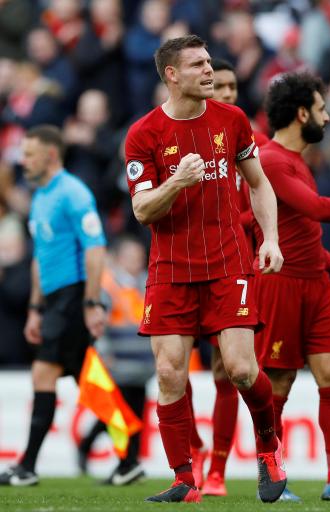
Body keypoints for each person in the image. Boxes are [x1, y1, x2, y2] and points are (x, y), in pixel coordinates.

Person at [124, 35, 286, 504]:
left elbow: (259, 184)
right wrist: (177, 181)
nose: (210, 71)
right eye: (198, 64)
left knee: (239, 369)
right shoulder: (143, 134)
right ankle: (184, 478)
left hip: (227, 261)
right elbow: (142, 211)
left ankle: (268, 447)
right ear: (172, 75)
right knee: (170, 372)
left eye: (210, 62)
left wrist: (270, 238)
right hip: (171, 267)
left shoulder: (232, 120)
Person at [255, 72, 330, 501]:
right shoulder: (270, 161)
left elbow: (294, 227)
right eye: (321, 108)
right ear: (302, 113)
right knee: (278, 383)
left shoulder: (300, 162)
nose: (327, 115)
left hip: (315, 283)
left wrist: (328, 259)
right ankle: (273, 477)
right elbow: (314, 209)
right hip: (279, 284)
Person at [0, 125, 107, 486]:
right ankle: (129, 451)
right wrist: (35, 308)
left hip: (74, 296)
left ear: (50, 154)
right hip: (54, 300)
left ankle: (27, 466)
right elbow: (39, 258)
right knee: (86, 380)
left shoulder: (73, 193)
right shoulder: (41, 196)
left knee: (45, 373)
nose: (22, 160)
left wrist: (92, 301)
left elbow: (95, 248)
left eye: (29, 154)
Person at [187, 57, 271, 497]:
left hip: (231, 265)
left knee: (229, 368)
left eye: (234, 86)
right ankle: (194, 447)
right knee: (171, 366)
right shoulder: (181, 135)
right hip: (183, 265)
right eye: (219, 86)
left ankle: (217, 470)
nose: (227, 93)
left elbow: (262, 202)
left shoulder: (245, 143)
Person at [77, 235, 154, 486]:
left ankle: (129, 464)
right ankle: (123, 461)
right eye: (132, 257)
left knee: (135, 416)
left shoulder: (146, 283)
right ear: (120, 258)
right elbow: (99, 323)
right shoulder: (109, 285)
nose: (137, 262)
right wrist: (103, 351)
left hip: (142, 365)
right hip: (118, 363)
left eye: (139, 257)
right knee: (119, 417)